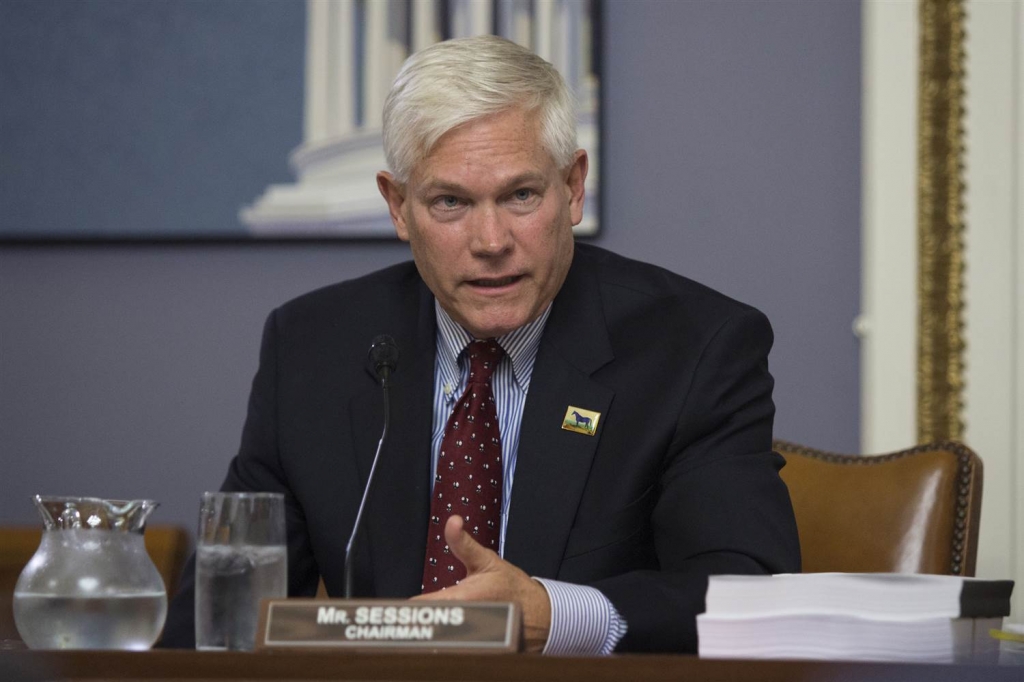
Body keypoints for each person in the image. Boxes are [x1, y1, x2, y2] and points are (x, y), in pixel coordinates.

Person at [162, 35, 799, 654]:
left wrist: (554, 616)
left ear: (572, 188)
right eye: (450, 202)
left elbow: (748, 589)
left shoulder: (694, 348)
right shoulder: (312, 348)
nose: (491, 240)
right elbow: (219, 618)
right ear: (398, 207)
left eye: (521, 194)